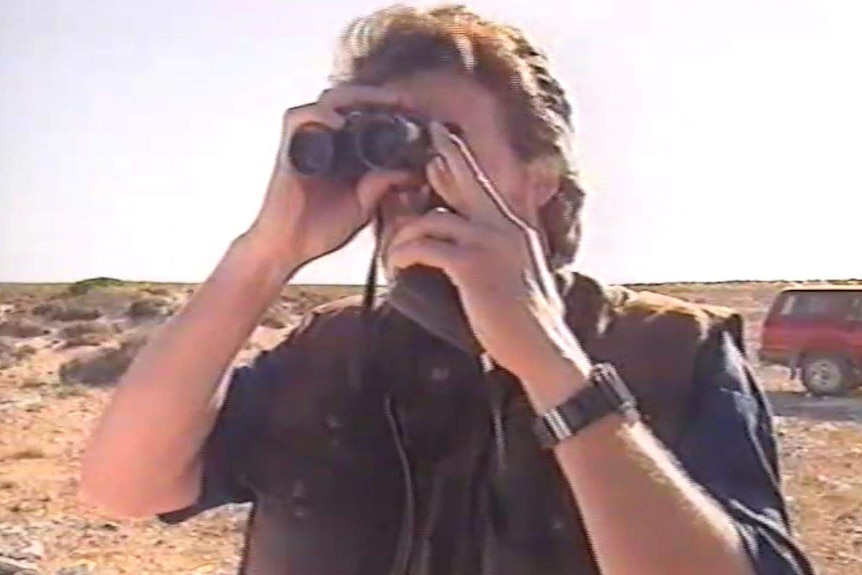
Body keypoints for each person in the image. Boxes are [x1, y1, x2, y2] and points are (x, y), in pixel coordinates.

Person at [80, 4, 816, 575]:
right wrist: (266, 254)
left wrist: (553, 367)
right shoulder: (331, 351)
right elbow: (125, 485)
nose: (406, 177)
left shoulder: (669, 348)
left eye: (440, 141)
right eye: (378, 141)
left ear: (539, 175)